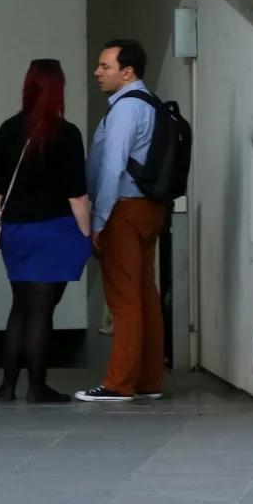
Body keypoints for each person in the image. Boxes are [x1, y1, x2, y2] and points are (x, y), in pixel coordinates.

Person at [0, 59, 91, 402]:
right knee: (42, 309)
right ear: (58, 90)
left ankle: (6, 386)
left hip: (17, 230)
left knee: (20, 305)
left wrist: (13, 220)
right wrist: (86, 234)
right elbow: (77, 195)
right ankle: (37, 386)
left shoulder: (7, 129)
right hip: (54, 229)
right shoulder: (66, 133)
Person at [75, 40, 165, 403]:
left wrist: (98, 219)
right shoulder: (151, 104)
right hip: (147, 208)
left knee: (124, 299)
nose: (98, 72)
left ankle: (119, 383)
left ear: (127, 72)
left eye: (105, 66)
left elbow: (112, 168)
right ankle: (147, 379)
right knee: (144, 294)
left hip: (123, 211)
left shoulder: (126, 109)